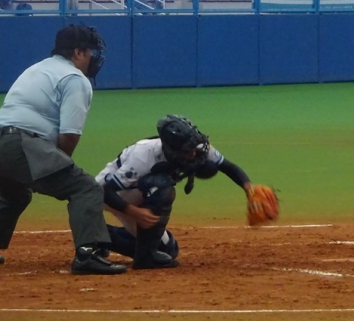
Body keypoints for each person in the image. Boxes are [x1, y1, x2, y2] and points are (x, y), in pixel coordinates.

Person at [0, 25, 127, 274]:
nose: (93, 57)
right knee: (85, 187)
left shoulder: (38, 68)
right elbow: (69, 134)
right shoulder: (75, 79)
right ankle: (88, 254)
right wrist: (57, 166)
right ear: (78, 52)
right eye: (90, 51)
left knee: (15, 195)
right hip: (21, 143)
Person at [95, 114, 257, 269]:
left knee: (167, 250)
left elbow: (227, 166)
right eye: (187, 150)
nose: (193, 153)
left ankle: (98, 238)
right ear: (170, 148)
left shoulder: (195, 146)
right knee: (161, 188)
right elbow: (105, 191)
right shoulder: (143, 157)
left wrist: (249, 189)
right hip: (111, 195)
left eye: (193, 147)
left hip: (140, 193)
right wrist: (135, 212)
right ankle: (145, 258)